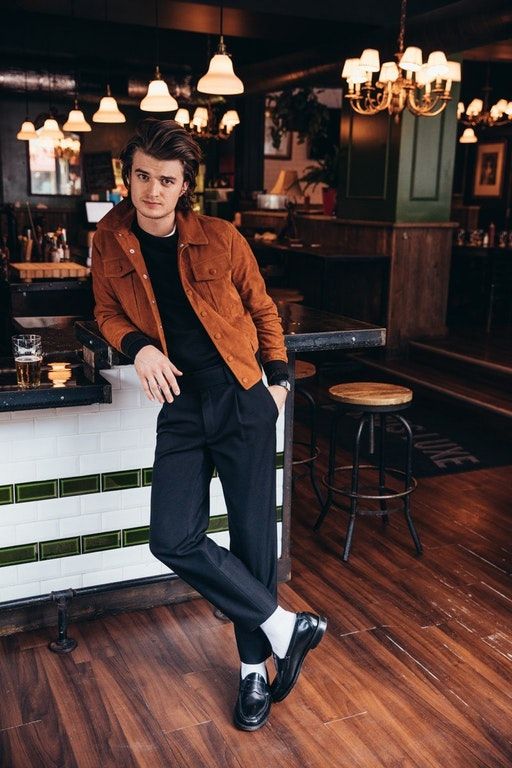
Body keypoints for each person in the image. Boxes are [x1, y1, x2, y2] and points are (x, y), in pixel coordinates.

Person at [91, 118, 327, 731]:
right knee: (172, 537)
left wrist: (278, 382)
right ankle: (285, 626)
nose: (151, 191)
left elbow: (262, 309)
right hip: (182, 406)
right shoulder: (109, 240)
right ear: (128, 176)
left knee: (253, 542)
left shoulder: (222, 238)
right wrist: (138, 346)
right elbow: (107, 308)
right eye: (142, 176)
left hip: (242, 396)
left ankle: (253, 670)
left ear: (184, 185)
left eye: (165, 180)